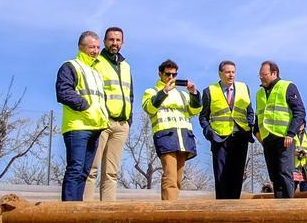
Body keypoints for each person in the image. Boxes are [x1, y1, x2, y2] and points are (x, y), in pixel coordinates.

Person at [55, 31, 108, 202]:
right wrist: (86, 107)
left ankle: (77, 210)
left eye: (98, 47)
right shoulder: (70, 66)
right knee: (75, 169)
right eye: (92, 47)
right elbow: (64, 92)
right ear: (81, 47)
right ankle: (68, 212)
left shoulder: (96, 72)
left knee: (85, 171)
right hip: (77, 127)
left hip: (95, 127)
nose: (95, 50)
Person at [84, 26, 134, 202]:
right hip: (102, 123)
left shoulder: (126, 66)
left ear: (122, 42)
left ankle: (108, 213)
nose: (115, 43)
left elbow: (130, 94)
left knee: (111, 173)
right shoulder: (97, 62)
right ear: (105, 41)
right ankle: (87, 213)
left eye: (118, 40)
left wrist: (129, 119)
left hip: (121, 125)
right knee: (92, 169)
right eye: (111, 39)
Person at [141, 59, 201, 200]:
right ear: (160, 74)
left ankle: (174, 208)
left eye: (174, 75)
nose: (171, 78)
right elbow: (149, 108)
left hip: (184, 138)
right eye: (168, 74)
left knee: (178, 179)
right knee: (170, 176)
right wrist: (164, 92)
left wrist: (193, 94)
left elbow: (195, 110)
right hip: (165, 137)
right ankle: (168, 212)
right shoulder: (151, 91)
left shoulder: (182, 94)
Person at [199, 60, 254, 199]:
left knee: (237, 175)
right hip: (219, 138)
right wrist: (209, 132)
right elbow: (203, 117)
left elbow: (250, 112)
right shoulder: (209, 91)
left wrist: (248, 126)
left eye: (233, 72)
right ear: (220, 73)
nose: (231, 75)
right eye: (228, 72)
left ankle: (234, 209)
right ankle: (222, 209)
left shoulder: (244, 88)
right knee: (221, 176)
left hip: (240, 137)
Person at [255, 60, 307, 199]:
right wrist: (259, 135)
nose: (261, 77)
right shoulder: (259, 93)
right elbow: (258, 116)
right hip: (267, 139)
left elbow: (300, 112)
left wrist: (290, 133)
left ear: (274, 73)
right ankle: (278, 210)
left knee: (285, 173)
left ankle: (288, 209)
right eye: (260, 74)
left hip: (284, 138)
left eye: (264, 74)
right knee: (274, 176)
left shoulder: (287, 86)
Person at [292, 124, 307, 192]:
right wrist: (295, 152)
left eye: (301, 123)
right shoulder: (291, 134)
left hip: (305, 167)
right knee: (292, 188)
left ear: (304, 125)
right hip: (294, 166)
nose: (300, 125)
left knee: (304, 190)